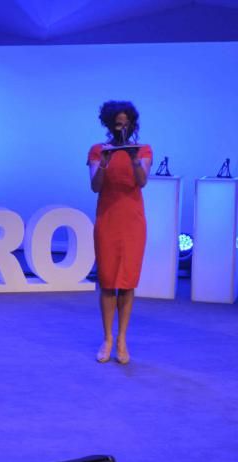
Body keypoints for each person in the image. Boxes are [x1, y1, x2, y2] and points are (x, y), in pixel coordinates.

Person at [88, 100, 153, 365]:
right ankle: (107, 338)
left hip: (132, 221)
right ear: (109, 124)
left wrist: (134, 159)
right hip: (108, 220)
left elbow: (142, 181)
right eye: (117, 123)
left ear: (132, 124)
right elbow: (95, 186)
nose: (121, 127)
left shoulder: (143, 149)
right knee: (107, 281)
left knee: (127, 282)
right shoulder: (97, 150)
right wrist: (104, 163)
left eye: (125, 123)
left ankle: (122, 339)